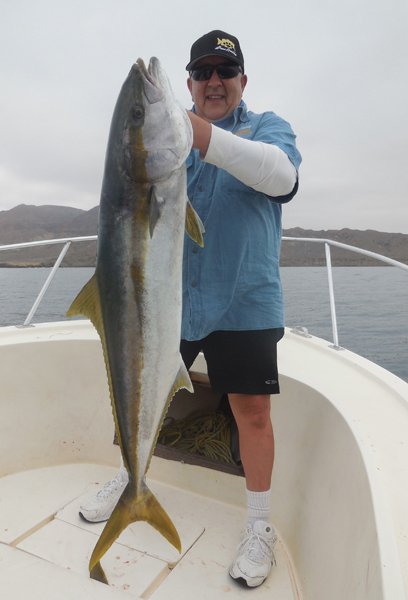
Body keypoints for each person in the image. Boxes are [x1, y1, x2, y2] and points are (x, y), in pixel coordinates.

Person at [80, 30, 301, 589]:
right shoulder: (173, 141)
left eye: (224, 71)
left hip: (244, 299)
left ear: (242, 81)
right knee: (136, 384)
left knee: (252, 413)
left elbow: (283, 177)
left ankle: (258, 527)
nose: (213, 82)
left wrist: (201, 137)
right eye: (202, 73)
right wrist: (172, 136)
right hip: (170, 303)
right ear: (189, 85)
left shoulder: (265, 129)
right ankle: (130, 477)